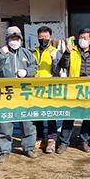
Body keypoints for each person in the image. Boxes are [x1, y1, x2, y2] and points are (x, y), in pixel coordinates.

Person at [0, 26, 38, 162]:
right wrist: (2, 56)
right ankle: (4, 150)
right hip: (6, 94)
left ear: (21, 39)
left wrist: (27, 72)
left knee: (27, 121)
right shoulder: (0, 52)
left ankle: (28, 148)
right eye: (12, 38)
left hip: (24, 93)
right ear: (7, 39)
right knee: (4, 122)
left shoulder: (27, 53)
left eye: (17, 38)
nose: (15, 41)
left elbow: (35, 67)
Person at [56, 28, 90, 154]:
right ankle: (64, 142)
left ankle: (84, 141)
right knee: (70, 115)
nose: (82, 40)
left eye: (85, 38)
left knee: (87, 116)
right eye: (81, 37)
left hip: (89, 88)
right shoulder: (72, 50)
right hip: (74, 88)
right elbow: (63, 65)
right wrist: (66, 53)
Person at [33, 26, 60, 154]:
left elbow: (58, 71)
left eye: (46, 36)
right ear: (37, 37)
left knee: (51, 114)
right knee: (37, 114)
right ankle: (39, 137)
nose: (43, 39)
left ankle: (51, 139)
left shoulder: (55, 51)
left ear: (50, 37)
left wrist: (54, 59)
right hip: (35, 88)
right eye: (41, 37)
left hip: (50, 88)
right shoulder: (33, 52)